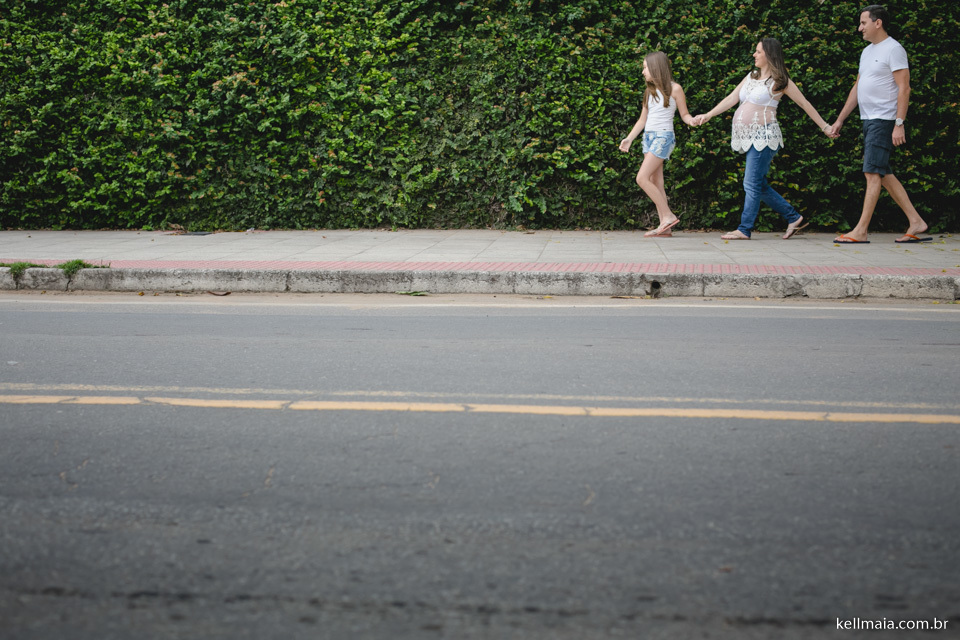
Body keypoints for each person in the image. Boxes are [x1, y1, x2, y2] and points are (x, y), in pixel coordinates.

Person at [694, 38, 833, 240]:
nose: (754, 55)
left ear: (768, 54)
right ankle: (793, 218)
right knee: (758, 184)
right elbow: (732, 98)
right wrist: (708, 115)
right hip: (748, 136)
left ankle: (744, 229)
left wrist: (825, 127)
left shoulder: (780, 81)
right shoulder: (751, 76)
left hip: (764, 136)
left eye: (758, 52)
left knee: (750, 183)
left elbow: (804, 103)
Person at [828, 5, 930, 244]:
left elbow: (904, 87)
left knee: (872, 171)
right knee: (882, 172)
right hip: (868, 118)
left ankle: (861, 231)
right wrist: (840, 119)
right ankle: (916, 221)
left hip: (883, 119)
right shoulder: (867, 52)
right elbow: (857, 88)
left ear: (878, 23)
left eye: (863, 23)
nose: (859, 28)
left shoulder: (894, 49)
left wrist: (899, 123)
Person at [619, 51, 696, 238]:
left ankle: (668, 215)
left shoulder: (675, 89)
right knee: (656, 182)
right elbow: (642, 120)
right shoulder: (649, 92)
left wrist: (692, 120)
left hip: (663, 137)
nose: (643, 72)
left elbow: (684, 114)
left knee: (641, 178)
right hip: (649, 138)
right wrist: (629, 138)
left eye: (645, 68)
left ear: (656, 68)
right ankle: (665, 226)